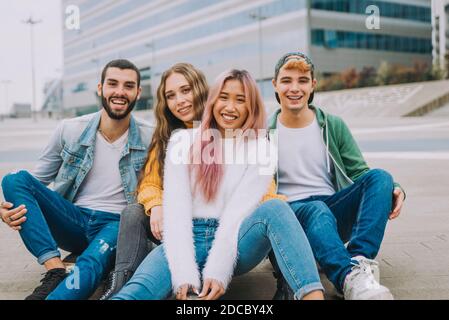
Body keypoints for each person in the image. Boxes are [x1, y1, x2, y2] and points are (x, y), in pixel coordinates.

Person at [111, 69, 324, 300]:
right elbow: (177, 212)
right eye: (224, 97)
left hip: (237, 241)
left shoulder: (262, 147)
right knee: (133, 294)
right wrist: (184, 274)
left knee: (276, 208)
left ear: (251, 106)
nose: (230, 107)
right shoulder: (182, 141)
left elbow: (237, 214)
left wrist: (218, 270)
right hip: (187, 235)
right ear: (213, 100)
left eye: (240, 100)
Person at [0, 59, 153, 300]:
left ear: (138, 92)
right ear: (100, 88)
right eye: (112, 83)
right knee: (13, 179)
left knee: (90, 265)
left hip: (116, 226)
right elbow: (35, 183)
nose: (120, 92)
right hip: (73, 218)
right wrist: (4, 211)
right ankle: (55, 269)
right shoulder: (69, 129)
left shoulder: (150, 136)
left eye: (128, 85)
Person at [268, 52, 406, 300]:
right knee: (316, 208)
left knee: (381, 177)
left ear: (313, 85)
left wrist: (394, 188)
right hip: (290, 214)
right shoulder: (264, 133)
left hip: (331, 212)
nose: (294, 88)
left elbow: (360, 172)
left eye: (302, 80)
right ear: (275, 85)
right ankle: (346, 278)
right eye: (287, 80)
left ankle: (358, 263)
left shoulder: (332, 125)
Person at [100, 63, 209, 299]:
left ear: (200, 89)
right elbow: (148, 183)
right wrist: (156, 205)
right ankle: (121, 282)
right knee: (133, 212)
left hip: (206, 230)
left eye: (186, 90)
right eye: (171, 96)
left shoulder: (222, 129)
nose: (179, 100)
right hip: (169, 226)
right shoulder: (164, 137)